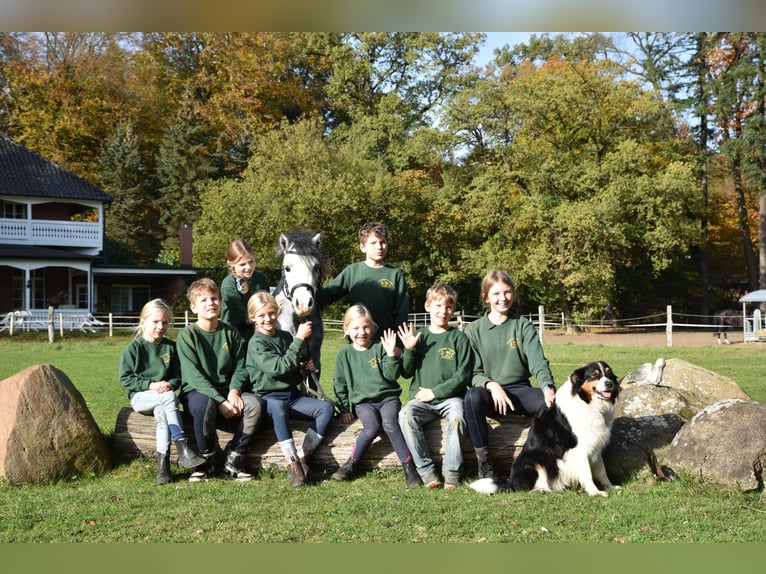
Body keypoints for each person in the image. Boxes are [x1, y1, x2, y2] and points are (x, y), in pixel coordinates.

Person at [463, 269, 556, 479]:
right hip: (489, 394)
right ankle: (484, 462)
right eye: (496, 294)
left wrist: (547, 387)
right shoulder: (474, 330)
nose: (502, 298)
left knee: (549, 405)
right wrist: (491, 384)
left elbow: (538, 362)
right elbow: (472, 372)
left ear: (512, 294)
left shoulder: (522, 325)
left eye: (507, 292)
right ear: (486, 297)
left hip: (519, 391)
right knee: (471, 397)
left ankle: (536, 460)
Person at [245, 290, 334, 487]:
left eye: (271, 313)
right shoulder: (256, 343)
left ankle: (303, 459)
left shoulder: (285, 336)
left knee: (326, 408)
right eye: (261, 315)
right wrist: (299, 339)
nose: (268, 319)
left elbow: (291, 367)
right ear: (253, 318)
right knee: (278, 407)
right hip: (269, 399)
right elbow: (279, 368)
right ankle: (292, 464)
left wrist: (303, 368)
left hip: (292, 396)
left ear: (277, 312)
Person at [177, 278, 262, 482]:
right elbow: (193, 375)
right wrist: (220, 401)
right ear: (194, 306)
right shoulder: (187, 335)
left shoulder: (230, 332)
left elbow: (241, 367)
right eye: (204, 299)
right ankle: (206, 461)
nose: (210, 303)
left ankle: (234, 459)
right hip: (198, 392)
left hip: (227, 390)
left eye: (214, 298)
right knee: (204, 404)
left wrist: (234, 391)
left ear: (220, 302)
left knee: (255, 405)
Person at [331, 304, 421, 488]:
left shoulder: (380, 348)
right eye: (355, 328)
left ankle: (409, 468)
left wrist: (390, 355)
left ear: (372, 327)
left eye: (365, 327)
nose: (361, 332)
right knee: (371, 427)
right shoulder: (344, 354)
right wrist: (343, 409)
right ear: (346, 329)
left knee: (390, 424)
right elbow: (339, 384)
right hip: (364, 404)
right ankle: (350, 464)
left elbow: (392, 376)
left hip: (387, 399)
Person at [119, 298, 206, 484]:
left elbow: (178, 376)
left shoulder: (171, 348)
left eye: (165, 322)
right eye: (155, 321)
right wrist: (151, 385)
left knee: (162, 411)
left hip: (164, 399)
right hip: (141, 398)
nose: (160, 326)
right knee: (167, 398)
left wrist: (170, 384)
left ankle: (163, 467)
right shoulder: (134, 348)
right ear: (143, 322)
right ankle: (183, 447)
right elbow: (125, 378)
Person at [397, 283, 473, 490]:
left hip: (451, 399)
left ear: (453, 310)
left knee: (458, 417)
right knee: (405, 415)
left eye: (448, 307)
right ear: (428, 306)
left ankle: (452, 473)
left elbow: (464, 375)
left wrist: (436, 392)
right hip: (421, 400)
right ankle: (426, 471)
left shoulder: (459, 338)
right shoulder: (419, 336)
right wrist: (410, 349)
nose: (443, 311)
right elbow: (406, 372)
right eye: (438, 306)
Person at [323, 222, 409, 342]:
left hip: (387, 343)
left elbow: (402, 313)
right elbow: (326, 296)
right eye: (373, 243)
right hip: (359, 342)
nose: (379, 247)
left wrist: (400, 344)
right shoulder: (352, 271)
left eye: (383, 242)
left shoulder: (395, 274)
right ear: (362, 247)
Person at [220, 238, 270, 343]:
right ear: (231, 264)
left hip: (259, 334)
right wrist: (263, 315)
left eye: (251, 262)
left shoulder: (261, 279)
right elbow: (240, 316)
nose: (248, 267)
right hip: (236, 337)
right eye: (242, 264)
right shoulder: (228, 285)